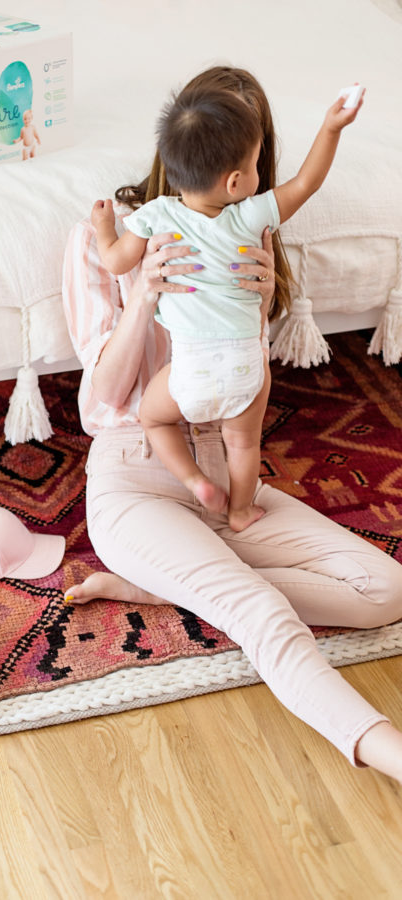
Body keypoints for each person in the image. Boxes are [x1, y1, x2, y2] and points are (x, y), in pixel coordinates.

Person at [61, 66, 402, 782]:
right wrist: (140, 297)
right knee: (260, 611)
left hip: (224, 475)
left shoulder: (247, 230)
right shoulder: (121, 237)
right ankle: (386, 752)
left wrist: (265, 295)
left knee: (384, 593)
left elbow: (240, 373)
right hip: (137, 480)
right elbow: (102, 403)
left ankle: (169, 584)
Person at [91, 87, 363, 532]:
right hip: (246, 364)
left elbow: (116, 260)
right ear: (235, 181)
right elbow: (307, 183)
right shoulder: (251, 216)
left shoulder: (157, 213)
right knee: (243, 443)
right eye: (257, 163)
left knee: (154, 419)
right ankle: (240, 510)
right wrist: (331, 126)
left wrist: (105, 227)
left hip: (190, 370)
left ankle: (195, 480)